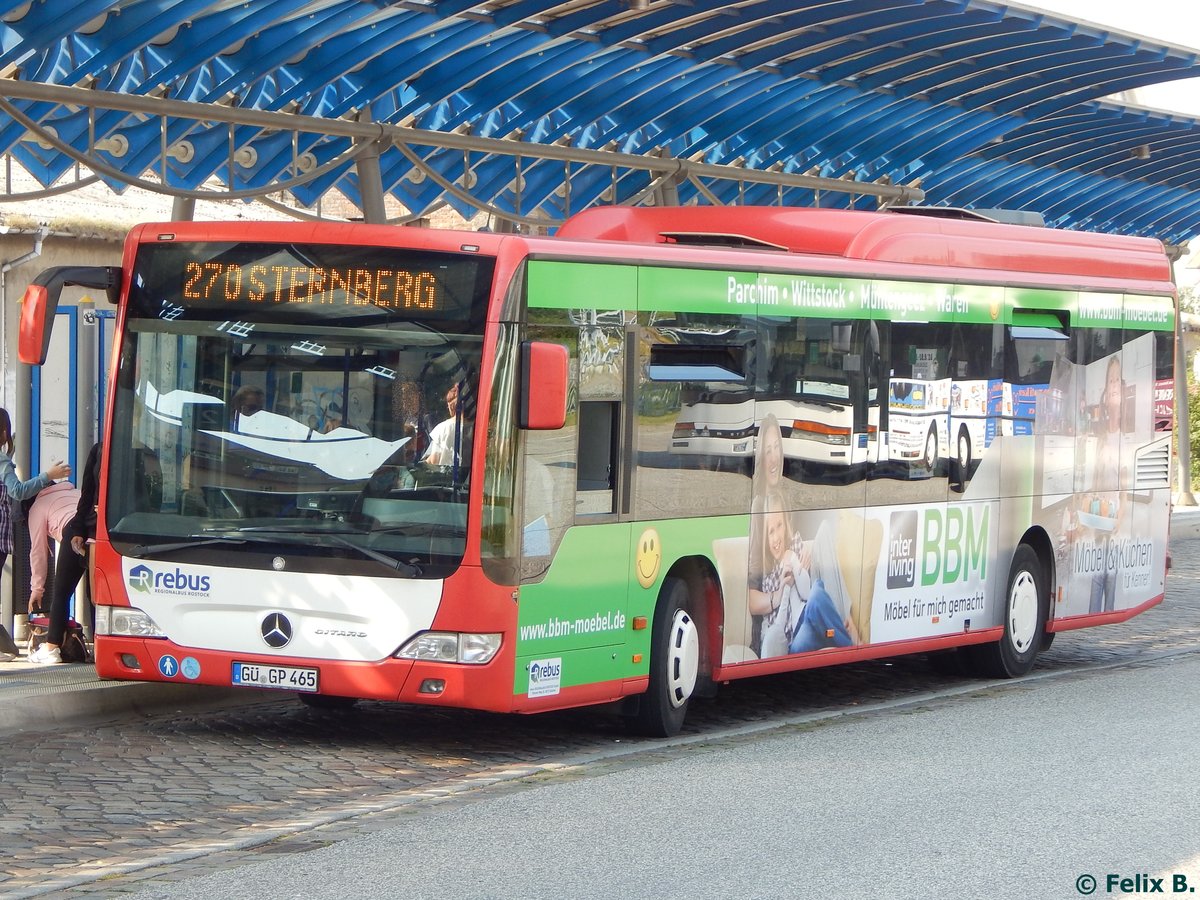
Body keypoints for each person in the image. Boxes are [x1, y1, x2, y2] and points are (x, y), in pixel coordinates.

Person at [0, 407, 70, 662]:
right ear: (4, 433)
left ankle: (4, 646)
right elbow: (18, 491)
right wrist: (47, 476)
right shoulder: (2, 461)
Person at [757, 492, 858, 657]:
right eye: (770, 532)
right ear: (764, 539)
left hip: (809, 615)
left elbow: (806, 592)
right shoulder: (768, 577)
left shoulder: (796, 545)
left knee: (816, 592)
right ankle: (849, 645)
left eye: (780, 525)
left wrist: (795, 562)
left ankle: (847, 642)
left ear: (786, 525)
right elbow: (777, 630)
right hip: (795, 639)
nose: (776, 538)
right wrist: (783, 589)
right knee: (803, 638)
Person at [29, 442, 100, 665]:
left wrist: (37, 589)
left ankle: (51, 648)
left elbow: (38, 552)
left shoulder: (37, 507)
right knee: (94, 593)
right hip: (95, 530)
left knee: (62, 592)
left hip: (74, 531)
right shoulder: (72, 491)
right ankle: (100, 648)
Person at [422, 384, 462, 466]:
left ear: (451, 406)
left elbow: (434, 460)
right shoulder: (477, 427)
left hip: (449, 472)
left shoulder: (443, 428)